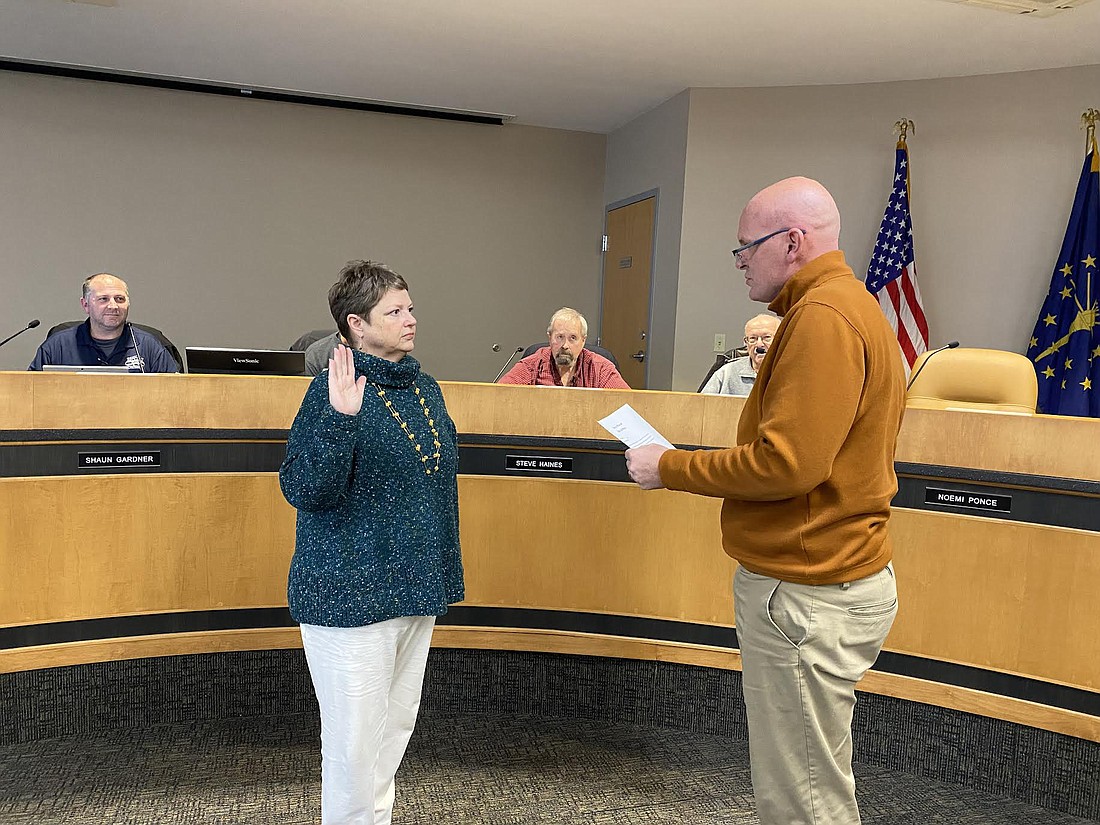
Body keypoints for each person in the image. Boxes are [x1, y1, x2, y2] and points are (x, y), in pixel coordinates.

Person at [625, 177, 905, 825]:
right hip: (828, 580)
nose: (740, 259)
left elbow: (789, 464)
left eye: (747, 246)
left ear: (794, 241)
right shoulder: (848, 306)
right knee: (810, 777)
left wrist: (668, 466)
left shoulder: (822, 320)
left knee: (802, 796)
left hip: (805, 594)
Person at [279, 260, 464, 825]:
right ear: (357, 326)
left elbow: (434, 488)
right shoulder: (330, 390)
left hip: (414, 589)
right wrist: (339, 418)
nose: (411, 320)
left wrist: (440, 573)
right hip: (349, 595)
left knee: (394, 729)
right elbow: (304, 488)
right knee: (353, 747)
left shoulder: (424, 388)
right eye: (395, 312)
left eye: (410, 308)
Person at [28, 273, 180, 372]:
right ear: (85, 304)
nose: (113, 306)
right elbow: (30, 392)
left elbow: (175, 394)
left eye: (120, 299)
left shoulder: (149, 346)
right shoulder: (57, 346)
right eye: (103, 299)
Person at [497, 307, 630, 388]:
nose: (565, 345)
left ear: (583, 340)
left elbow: (627, 404)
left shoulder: (600, 368)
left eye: (573, 338)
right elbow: (499, 395)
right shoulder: (532, 365)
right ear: (550, 337)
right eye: (559, 337)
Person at [700, 313, 781, 396]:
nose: (759, 344)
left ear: (780, 339)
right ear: (746, 343)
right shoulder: (726, 372)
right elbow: (702, 405)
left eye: (766, 337)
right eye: (753, 338)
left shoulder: (791, 372)